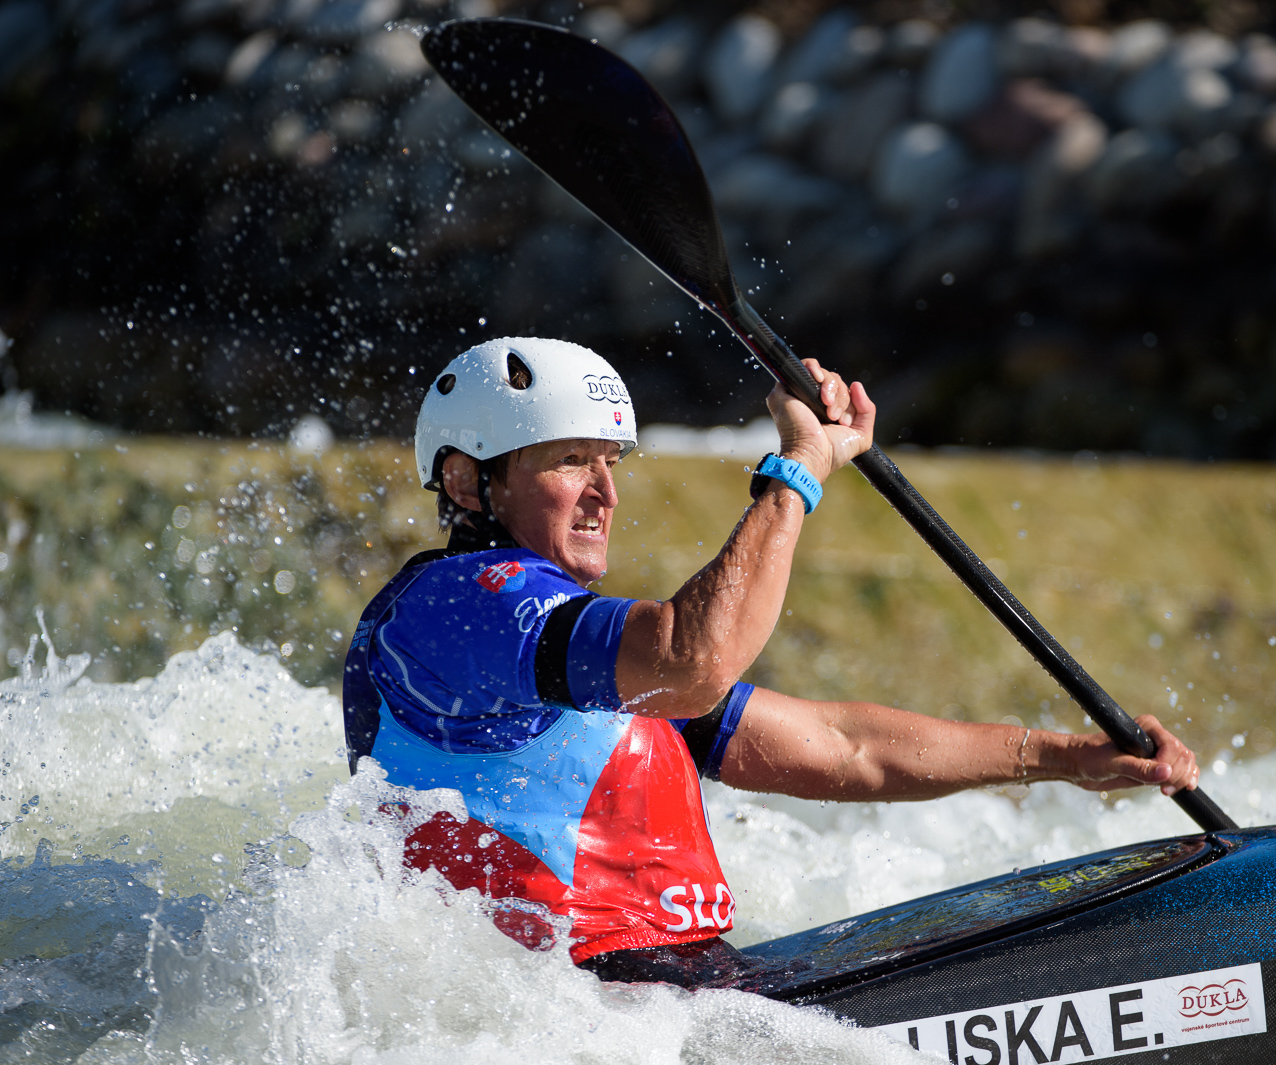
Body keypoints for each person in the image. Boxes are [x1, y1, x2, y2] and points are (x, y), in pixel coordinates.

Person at [342, 336, 1199, 987]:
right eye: (571, 460)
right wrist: (796, 471)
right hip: (571, 1008)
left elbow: (844, 749)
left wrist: (1065, 758)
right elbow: (693, 659)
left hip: (659, 996)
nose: (606, 491)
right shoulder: (456, 605)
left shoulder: (568, 650)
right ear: (463, 483)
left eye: (610, 462)